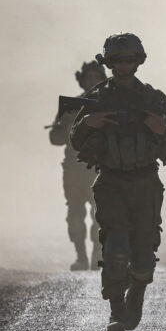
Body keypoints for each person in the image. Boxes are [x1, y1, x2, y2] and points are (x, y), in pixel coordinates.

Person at [69, 32, 166, 331]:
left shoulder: (152, 98)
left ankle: (136, 292)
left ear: (138, 61)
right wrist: (87, 123)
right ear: (109, 62)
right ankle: (117, 311)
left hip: (145, 181)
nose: (123, 65)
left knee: (144, 255)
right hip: (110, 181)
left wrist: (161, 130)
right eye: (118, 60)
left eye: (129, 60)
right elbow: (74, 139)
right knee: (116, 248)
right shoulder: (96, 97)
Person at [48, 60, 106, 271]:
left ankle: (98, 256)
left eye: (96, 78)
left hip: (99, 167)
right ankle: (81, 256)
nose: (91, 82)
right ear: (81, 81)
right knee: (75, 213)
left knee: (101, 213)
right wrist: (72, 128)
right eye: (88, 78)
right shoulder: (71, 106)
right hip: (74, 169)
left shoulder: (109, 103)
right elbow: (54, 138)